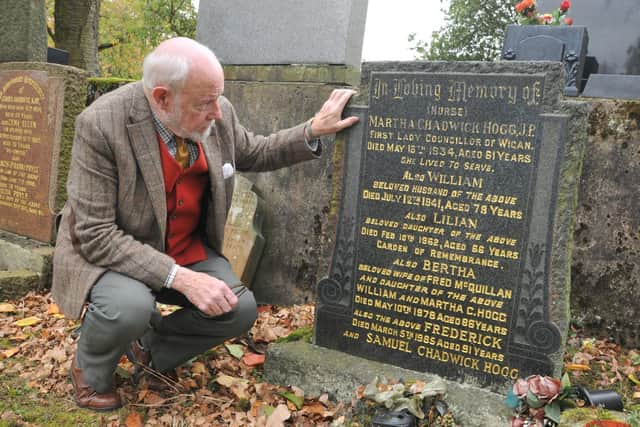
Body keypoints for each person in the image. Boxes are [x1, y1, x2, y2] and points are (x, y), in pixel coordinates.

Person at [51, 37, 358, 411]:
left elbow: (253, 151)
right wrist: (180, 278)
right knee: (128, 307)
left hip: (184, 247)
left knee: (238, 309)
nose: (217, 112)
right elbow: (95, 235)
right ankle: (90, 369)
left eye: (218, 98)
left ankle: (149, 348)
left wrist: (312, 129)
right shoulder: (101, 125)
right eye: (204, 103)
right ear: (162, 98)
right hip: (114, 251)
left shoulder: (217, 111)